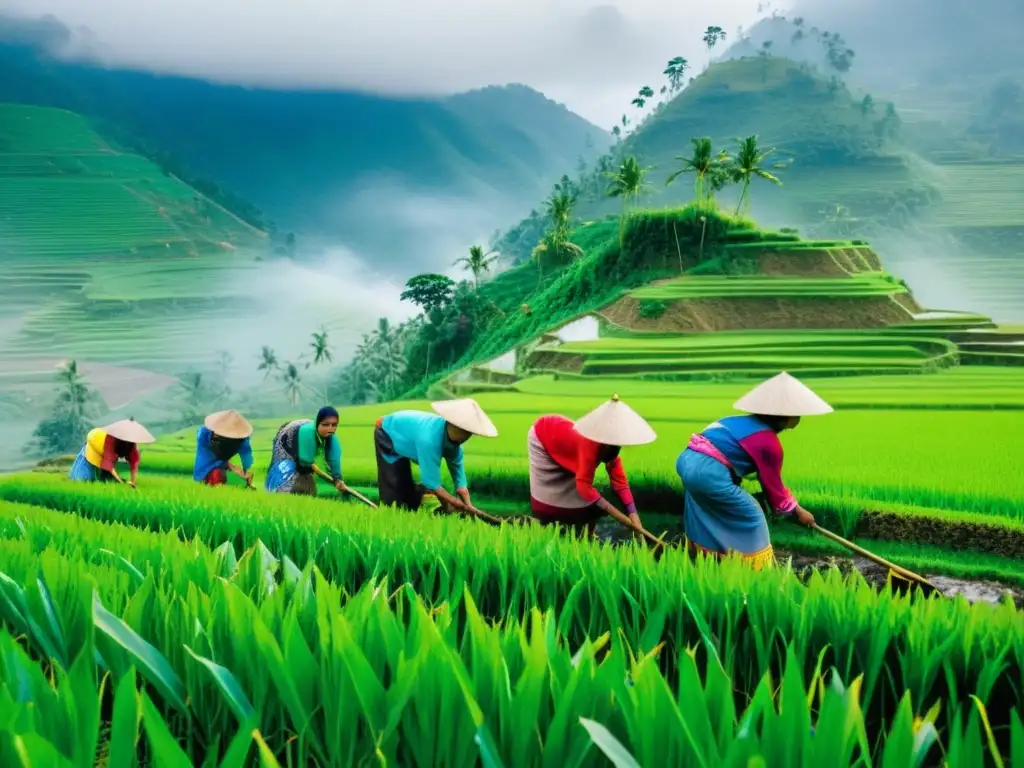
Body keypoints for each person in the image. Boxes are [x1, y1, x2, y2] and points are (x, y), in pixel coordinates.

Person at [676, 371, 832, 570]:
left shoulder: (731, 420)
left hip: (687, 463)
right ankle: (758, 569)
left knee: (707, 511)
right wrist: (799, 513)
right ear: (785, 416)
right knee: (752, 515)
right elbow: (775, 490)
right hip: (709, 475)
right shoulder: (769, 443)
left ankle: (708, 559)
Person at [527, 394, 656, 536]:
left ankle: (585, 537)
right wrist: (616, 514)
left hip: (565, 446)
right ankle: (547, 528)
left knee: (586, 506)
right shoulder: (589, 444)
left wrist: (633, 514)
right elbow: (583, 485)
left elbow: (620, 483)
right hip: (542, 438)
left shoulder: (611, 445)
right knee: (554, 499)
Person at [374, 398, 497, 515]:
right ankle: (400, 508)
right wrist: (453, 503)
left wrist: (469, 506)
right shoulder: (429, 440)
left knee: (405, 485)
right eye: (465, 431)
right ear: (453, 425)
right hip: (388, 431)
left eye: (470, 433)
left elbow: (460, 483)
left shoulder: (454, 445)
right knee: (393, 487)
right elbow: (432, 482)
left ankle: (419, 500)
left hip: (407, 434)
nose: (467, 436)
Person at [265, 406, 348, 496]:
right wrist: (313, 470)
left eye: (334, 425)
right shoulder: (308, 434)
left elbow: (334, 459)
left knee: (307, 474)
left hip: (303, 443)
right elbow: (306, 462)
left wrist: (337, 479)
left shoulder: (332, 438)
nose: (330, 429)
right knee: (291, 473)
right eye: (325, 425)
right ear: (317, 424)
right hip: (286, 443)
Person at [68, 418, 155, 487]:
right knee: (83, 479)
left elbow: (134, 463)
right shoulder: (111, 440)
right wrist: (121, 482)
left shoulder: (131, 446)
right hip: (94, 446)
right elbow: (109, 466)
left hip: (105, 454)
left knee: (104, 480)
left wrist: (133, 481)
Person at [193, 410, 255, 486]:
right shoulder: (205, 434)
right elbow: (210, 457)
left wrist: (245, 472)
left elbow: (246, 456)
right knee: (215, 474)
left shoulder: (241, 440)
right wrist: (231, 466)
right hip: (209, 468)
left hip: (223, 465)